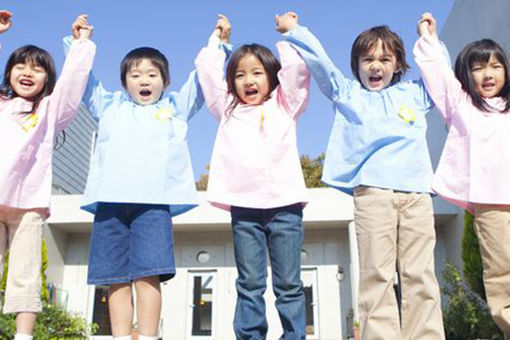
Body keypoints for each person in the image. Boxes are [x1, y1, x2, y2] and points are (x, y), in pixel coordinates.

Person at [279, 11, 445, 339]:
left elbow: (440, 75)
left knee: (420, 275)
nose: (375, 65)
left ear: (398, 64)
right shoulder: (348, 94)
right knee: (377, 275)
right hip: (373, 196)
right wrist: (295, 30)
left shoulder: (414, 94)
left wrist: (429, 39)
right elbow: (322, 63)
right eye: (367, 58)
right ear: (356, 64)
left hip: (416, 195)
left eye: (385, 58)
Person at [71, 15, 205, 340]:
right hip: (111, 204)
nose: (144, 80)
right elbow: (83, 81)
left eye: (152, 74)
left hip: (153, 206)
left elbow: (201, 83)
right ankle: (120, 336)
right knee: (115, 277)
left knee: (149, 275)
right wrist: (80, 44)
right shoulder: (110, 106)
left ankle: (146, 335)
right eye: (135, 75)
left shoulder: (174, 107)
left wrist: (217, 45)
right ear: (125, 82)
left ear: (165, 81)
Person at [195, 13, 310, 340]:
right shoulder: (227, 109)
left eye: (257, 73)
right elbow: (207, 69)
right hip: (244, 210)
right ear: (231, 81)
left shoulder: (286, 104)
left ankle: (294, 336)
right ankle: (250, 336)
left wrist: (288, 36)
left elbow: (298, 73)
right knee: (249, 283)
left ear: (272, 78)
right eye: (240, 74)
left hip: (285, 208)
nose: (249, 81)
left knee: (289, 283)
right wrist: (219, 41)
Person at [0, 11, 95, 340]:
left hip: (29, 206)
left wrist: (81, 44)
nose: (28, 72)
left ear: (47, 79)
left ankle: (23, 336)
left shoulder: (50, 111)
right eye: (20, 66)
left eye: (37, 68)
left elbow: (71, 84)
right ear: (8, 73)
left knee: (26, 275)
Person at [415, 12, 510, 337]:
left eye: (495, 65)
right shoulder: (462, 105)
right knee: (502, 274)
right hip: (491, 204)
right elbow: (439, 75)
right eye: (478, 67)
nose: (487, 73)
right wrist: (430, 39)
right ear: (466, 74)